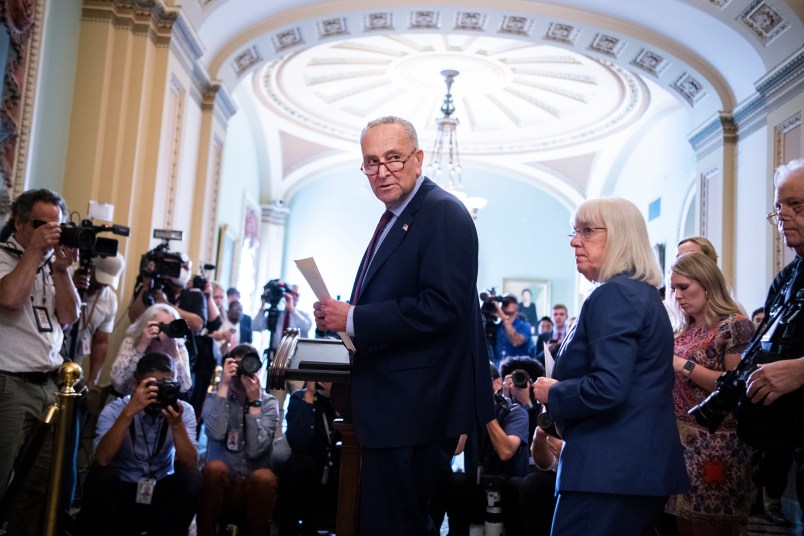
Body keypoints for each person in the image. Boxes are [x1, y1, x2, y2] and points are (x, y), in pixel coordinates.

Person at [312, 115, 495, 535]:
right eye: (371, 162)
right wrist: (343, 318)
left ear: (418, 158)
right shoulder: (399, 214)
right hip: (394, 406)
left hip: (416, 407)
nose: (382, 171)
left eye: (393, 158)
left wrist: (355, 318)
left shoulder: (443, 213)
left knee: (397, 525)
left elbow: (442, 306)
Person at [532, 198, 689, 535]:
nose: (575, 241)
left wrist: (554, 391)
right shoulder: (641, 294)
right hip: (628, 469)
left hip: (609, 471)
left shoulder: (614, 295)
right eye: (575, 232)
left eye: (588, 231)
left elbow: (608, 387)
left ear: (621, 237)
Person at [0, 188, 81, 535]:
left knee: (40, 484)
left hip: (50, 386)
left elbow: (69, 315)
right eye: (39, 224)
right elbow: (11, 300)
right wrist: (33, 252)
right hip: (10, 385)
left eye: (56, 227)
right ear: (18, 222)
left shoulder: (52, 265)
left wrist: (62, 272)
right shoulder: (4, 256)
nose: (49, 233)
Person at [665, 252, 755, 535]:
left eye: (684, 287)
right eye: (673, 288)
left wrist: (684, 366)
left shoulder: (735, 325)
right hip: (679, 441)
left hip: (717, 443)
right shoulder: (684, 329)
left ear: (706, 283)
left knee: (710, 529)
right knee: (683, 524)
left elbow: (737, 384)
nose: (677, 295)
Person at [78, 352, 202, 535]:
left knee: (192, 478)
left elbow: (191, 463)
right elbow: (102, 459)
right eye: (153, 386)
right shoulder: (115, 409)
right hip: (122, 491)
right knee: (101, 477)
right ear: (136, 384)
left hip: (160, 490)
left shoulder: (184, 411)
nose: (159, 393)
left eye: (167, 386)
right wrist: (128, 414)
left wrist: (177, 425)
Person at [431, 362, 530, 535]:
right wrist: (464, 413)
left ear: (497, 384)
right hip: (475, 486)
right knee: (454, 481)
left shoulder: (515, 412)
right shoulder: (467, 411)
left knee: (518, 486)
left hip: (508, 486)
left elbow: (506, 451)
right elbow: (456, 449)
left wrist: (485, 411)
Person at [198, 344, 279, 536]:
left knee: (265, 478)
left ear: (257, 368)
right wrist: (223, 385)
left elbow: (255, 450)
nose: (243, 368)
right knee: (214, 468)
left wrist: (254, 403)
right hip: (222, 484)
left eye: (248, 363)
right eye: (237, 363)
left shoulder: (269, 403)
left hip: (252, 486)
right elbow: (215, 434)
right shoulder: (214, 398)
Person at [279, 380, 340, 535]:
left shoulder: (346, 399)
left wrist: (339, 398)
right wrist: (309, 395)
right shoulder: (299, 398)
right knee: (298, 463)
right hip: (310, 470)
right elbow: (299, 443)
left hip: (338, 468)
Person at [109, 303, 193, 397]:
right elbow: (117, 379)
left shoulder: (178, 346)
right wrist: (142, 345)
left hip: (160, 401)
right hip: (127, 398)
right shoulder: (132, 341)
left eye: (171, 325)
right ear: (147, 324)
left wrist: (174, 351)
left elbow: (184, 387)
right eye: (162, 325)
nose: (167, 330)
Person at [66, 252, 125, 386]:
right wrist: (70, 288)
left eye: (107, 282)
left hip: (74, 371)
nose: (102, 286)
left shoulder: (110, 299)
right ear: (90, 267)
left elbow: (101, 342)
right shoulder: (64, 276)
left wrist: (93, 379)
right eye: (99, 279)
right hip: (48, 365)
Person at [491, 295, 533, 366]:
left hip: (519, 369)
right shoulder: (498, 326)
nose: (507, 302)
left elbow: (516, 341)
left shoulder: (525, 326)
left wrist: (505, 318)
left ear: (517, 306)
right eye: (505, 302)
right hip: (500, 369)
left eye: (511, 300)